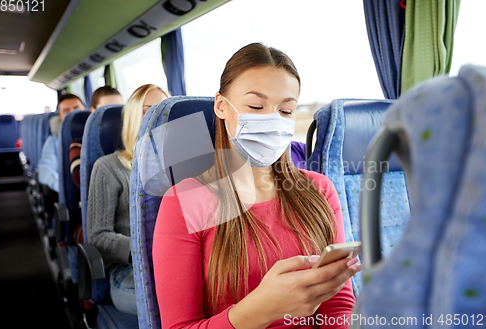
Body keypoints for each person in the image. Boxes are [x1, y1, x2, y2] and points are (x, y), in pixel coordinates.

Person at [153, 43, 360, 328]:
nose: (272, 120)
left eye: (286, 111)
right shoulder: (184, 201)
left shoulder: (320, 190)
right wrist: (261, 310)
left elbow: (338, 306)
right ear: (221, 106)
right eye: (255, 106)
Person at [86, 84, 168, 315]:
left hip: (178, 265)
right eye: (149, 110)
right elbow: (99, 235)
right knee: (173, 304)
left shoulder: (180, 166)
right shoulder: (108, 167)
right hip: (131, 271)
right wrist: (146, 251)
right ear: (134, 118)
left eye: (164, 111)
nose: (160, 118)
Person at [69, 86, 124, 189]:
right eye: (108, 110)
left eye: (118, 109)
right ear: (93, 112)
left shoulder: (131, 139)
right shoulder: (78, 145)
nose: (115, 116)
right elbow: (83, 180)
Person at [38, 94, 85, 194]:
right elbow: (46, 170)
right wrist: (65, 188)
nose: (72, 113)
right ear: (60, 117)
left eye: (76, 108)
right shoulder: (53, 142)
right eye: (66, 111)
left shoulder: (96, 137)